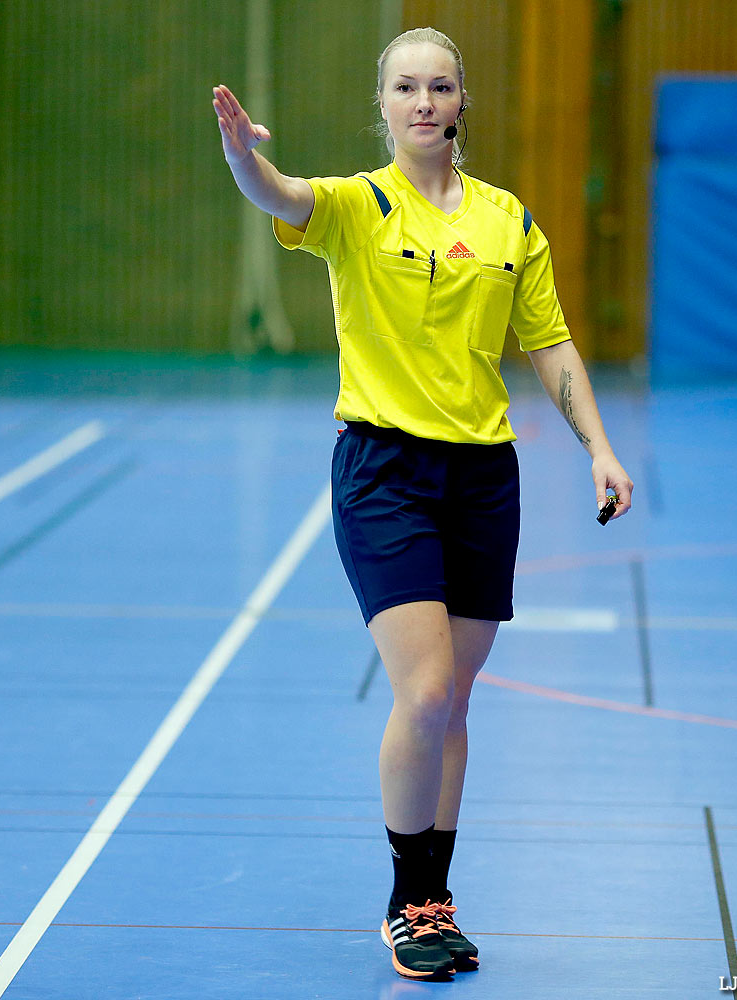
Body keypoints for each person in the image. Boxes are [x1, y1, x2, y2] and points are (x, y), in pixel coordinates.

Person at [213, 26, 632, 982]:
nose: (422, 102)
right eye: (405, 87)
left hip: (483, 478)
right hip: (383, 472)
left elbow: (551, 347)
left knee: (457, 702)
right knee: (426, 690)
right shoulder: (358, 207)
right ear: (385, 103)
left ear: (458, 103)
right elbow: (278, 196)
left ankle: (435, 897)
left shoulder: (508, 224)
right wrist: (243, 155)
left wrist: (600, 449)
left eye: (439, 86)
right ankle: (407, 902)